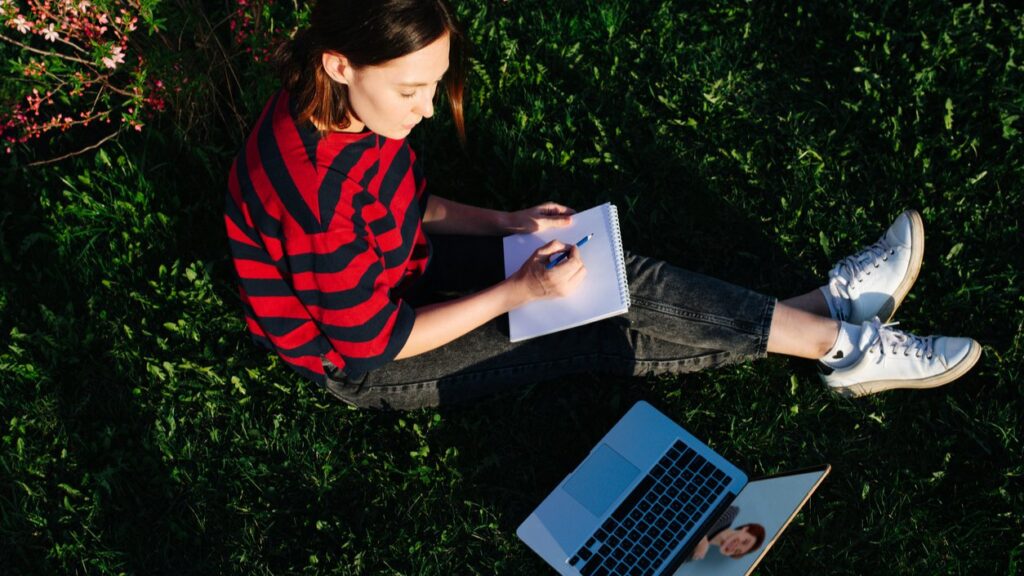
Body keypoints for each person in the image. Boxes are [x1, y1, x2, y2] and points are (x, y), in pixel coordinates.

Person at [224, 0, 982, 410]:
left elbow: (404, 204)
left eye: (435, 82)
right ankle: (840, 343)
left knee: (606, 274)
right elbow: (373, 344)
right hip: (365, 364)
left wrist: (509, 224)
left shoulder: (341, 106)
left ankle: (819, 317)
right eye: (412, 90)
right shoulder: (314, 200)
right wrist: (516, 293)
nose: (425, 111)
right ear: (339, 62)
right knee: (589, 318)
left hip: (404, 274)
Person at [688, 506, 765, 561]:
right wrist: (701, 537)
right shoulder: (730, 514)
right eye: (744, 542)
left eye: (737, 551)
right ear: (745, 529)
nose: (735, 547)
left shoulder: (696, 553)